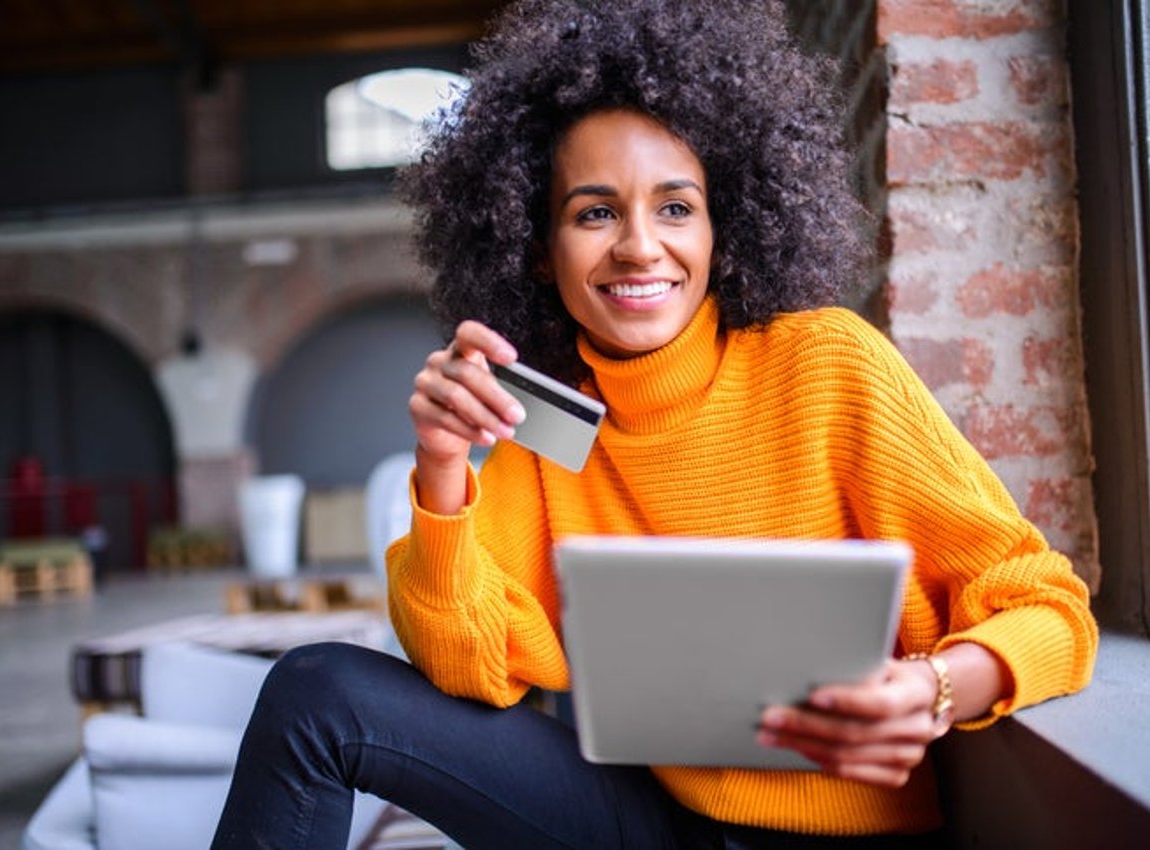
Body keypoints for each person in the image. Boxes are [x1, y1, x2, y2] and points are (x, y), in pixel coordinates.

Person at [212, 1, 1098, 847]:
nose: (639, 245)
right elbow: (470, 668)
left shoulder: (828, 365)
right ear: (534, 243)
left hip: (850, 839)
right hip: (652, 822)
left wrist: (938, 686)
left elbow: (1051, 607)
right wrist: (443, 469)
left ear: (725, 226)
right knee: (315, 691)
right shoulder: (545, 416)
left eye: (675, 207)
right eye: (594, 211)